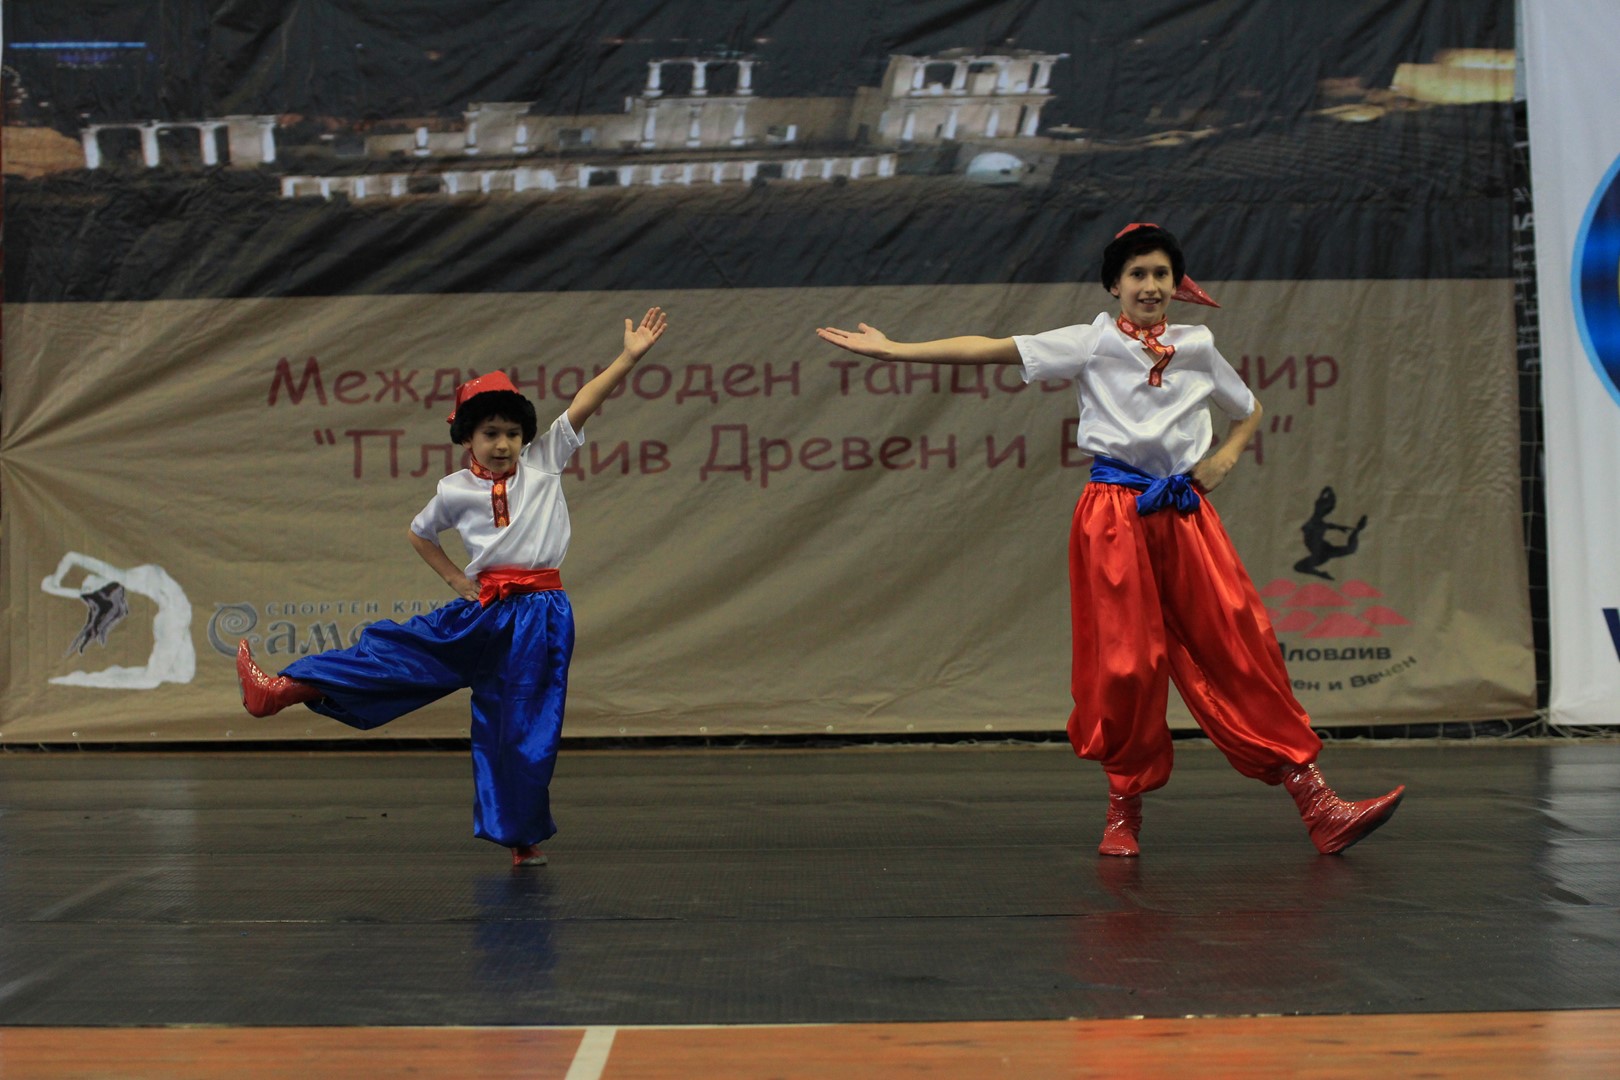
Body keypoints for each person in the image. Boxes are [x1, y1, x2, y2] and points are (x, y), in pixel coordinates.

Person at [816, 224, 1402, 857]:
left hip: (1184, 512)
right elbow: (990, 348)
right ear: (1115, 285)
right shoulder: (1091, 342)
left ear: (1177, 284)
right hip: (1114, 514)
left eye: (1160, 274)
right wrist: (896, 351)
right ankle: (1124, 808)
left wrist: (1227, 455)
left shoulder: (1197, 344)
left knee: (1238, 642)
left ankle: (1319, 803)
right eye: (1137, 274)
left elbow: (1248, 408)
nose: (1150, 286)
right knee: (1126, 665)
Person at [236, 307, 669, 867]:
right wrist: (454, 579)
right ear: (467, 437)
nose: (503, 444)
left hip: (540, 616)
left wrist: (628, 359)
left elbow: (584, 402)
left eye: (512, 433)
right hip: (485, 606)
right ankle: (281, 690)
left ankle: (520, 837)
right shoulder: (454, 489)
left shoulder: (544, 463)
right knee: (399, 652)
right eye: (490, 433)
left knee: (521, 725)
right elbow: (420, 533)